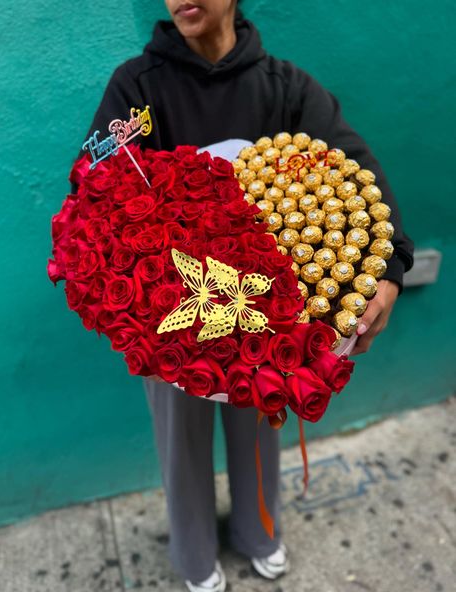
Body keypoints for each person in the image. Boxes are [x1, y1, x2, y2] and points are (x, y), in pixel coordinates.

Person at [81, 1, 414, 590]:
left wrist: (389, 265)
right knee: (179, 440)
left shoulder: (285, 86)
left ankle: (260, 531)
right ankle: (193, 556)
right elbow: (95, 178)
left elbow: (356, 167)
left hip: (265, 317)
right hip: (170, 317)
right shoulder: (136, 87)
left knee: (260, 428)